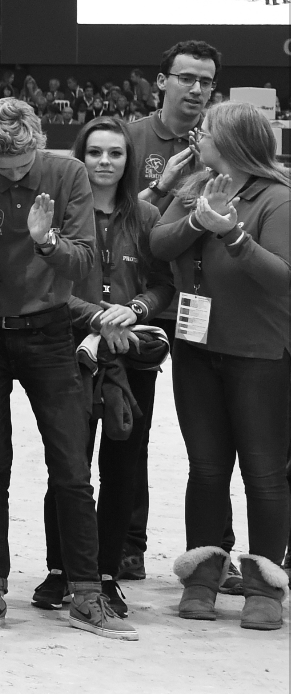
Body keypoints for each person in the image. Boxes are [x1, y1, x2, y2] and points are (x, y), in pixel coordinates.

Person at [0, 98, 137, 640]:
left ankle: (86, 593)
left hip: (51, 330)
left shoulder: (67, 172)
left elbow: (81, 264)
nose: (12, 175)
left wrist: (45, 240)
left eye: (22, 166)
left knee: (72, 466)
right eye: (0, 169)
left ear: (37, 144)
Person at [151, 102, 290, 631]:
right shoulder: (195, 184)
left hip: (260, 356)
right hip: (197, 351)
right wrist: (196, 217)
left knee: (263, 473)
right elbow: (158, 243)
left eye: (207, 131)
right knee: (207, 469)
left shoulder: (278, 199)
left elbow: (281, 277)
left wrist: (233, 234)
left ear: (233, 142)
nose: (197, 136)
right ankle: (204, 577)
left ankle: (264, 587)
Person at [35, 117, 174, 618]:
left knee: (123, 465)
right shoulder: (62, 216)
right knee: (69, 464)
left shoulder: (147, 215)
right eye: (95, 153)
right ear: (80, 157)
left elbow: (165, 287)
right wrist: (95, 315)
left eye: (115, 153)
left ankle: (108, 573)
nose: (105, 162)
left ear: (127, 160)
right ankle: (60, 569)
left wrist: (134, 310)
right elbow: (49, 287)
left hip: (131, 358)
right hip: (71, 353)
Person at [124, 40, 236, 584]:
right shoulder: (128, 138)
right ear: (161, 80)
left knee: (214, 440)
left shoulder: (225, 135)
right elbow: (102, 214)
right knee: (131, 427)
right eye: (187, 78)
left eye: (206, 81)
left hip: (202, 307)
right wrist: (162, 184)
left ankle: (223, 549)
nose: (196, 89)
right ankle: (128, 542)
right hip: (142, 302)